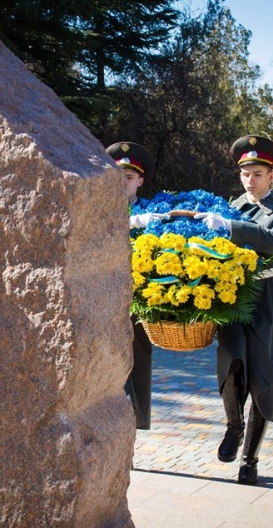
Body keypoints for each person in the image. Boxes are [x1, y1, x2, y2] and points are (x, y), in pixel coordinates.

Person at [195, 136, 273, 485]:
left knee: (263, 377)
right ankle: (233, 426)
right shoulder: (229, 207)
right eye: (245, 174)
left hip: (269, 299)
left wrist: (231, 228)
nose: (250, 180)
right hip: (234, 295)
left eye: (257, 173)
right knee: (231, 362)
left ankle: (250, 459)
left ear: (271, 175)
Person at [106, 141, 164, 429]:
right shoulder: (98, 209)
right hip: (104, 300)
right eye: (117, 176)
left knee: (137, 367)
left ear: (140, 180)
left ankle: (133, 431)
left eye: (128, 178)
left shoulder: (153, 214)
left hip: (138, 299)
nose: (122, 183)